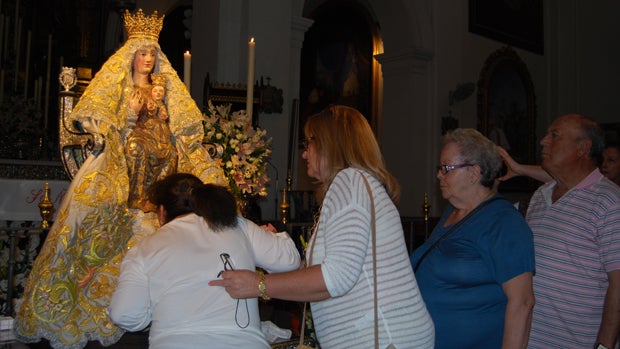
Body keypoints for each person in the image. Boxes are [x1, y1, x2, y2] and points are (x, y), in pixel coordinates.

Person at [14, 9, 226, 348]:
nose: (147, 59)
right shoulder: (122, 88)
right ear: (130, 57)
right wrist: (126, 117)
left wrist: (168, 123)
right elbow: (104, 119)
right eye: (142, 53)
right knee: (134, 148)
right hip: (126, 149)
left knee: (169, 154)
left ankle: (156, 200)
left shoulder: (162, 89)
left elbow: (175, 124)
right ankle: (131, 203)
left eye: (152, 55)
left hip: (157, 147)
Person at [210, 105, 435, 349]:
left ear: (330, 143)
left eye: (309, 143)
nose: (304, 154)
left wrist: (258, 285)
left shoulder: (350, 182)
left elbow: (335, 278)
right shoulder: (354, 184)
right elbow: (326, 272)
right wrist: (272, 255)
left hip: (382, 337)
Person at [108, 173, 300, 348]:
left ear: (161, 212)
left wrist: (154, 311)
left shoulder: (144, 248)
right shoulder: (236, 224)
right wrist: (275, 237)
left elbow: (124, 313)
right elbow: (289, 262)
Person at [409, 128, 535, 349]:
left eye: (446, 168)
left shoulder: (504, 222)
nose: (439, 175)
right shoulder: (453, 212)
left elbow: (522, 303)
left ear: (474, 173)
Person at [524, 114, 620, 349]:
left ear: (582, 148)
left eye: (554, 135)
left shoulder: (608, 202)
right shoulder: (540, 195)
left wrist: (604, 347)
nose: (543, 141)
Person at [498, 142, 620, 187]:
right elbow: (562, 178)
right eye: (602, 160)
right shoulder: (590, 186)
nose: (604, 165)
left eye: (611, 160)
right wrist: (519, 169)